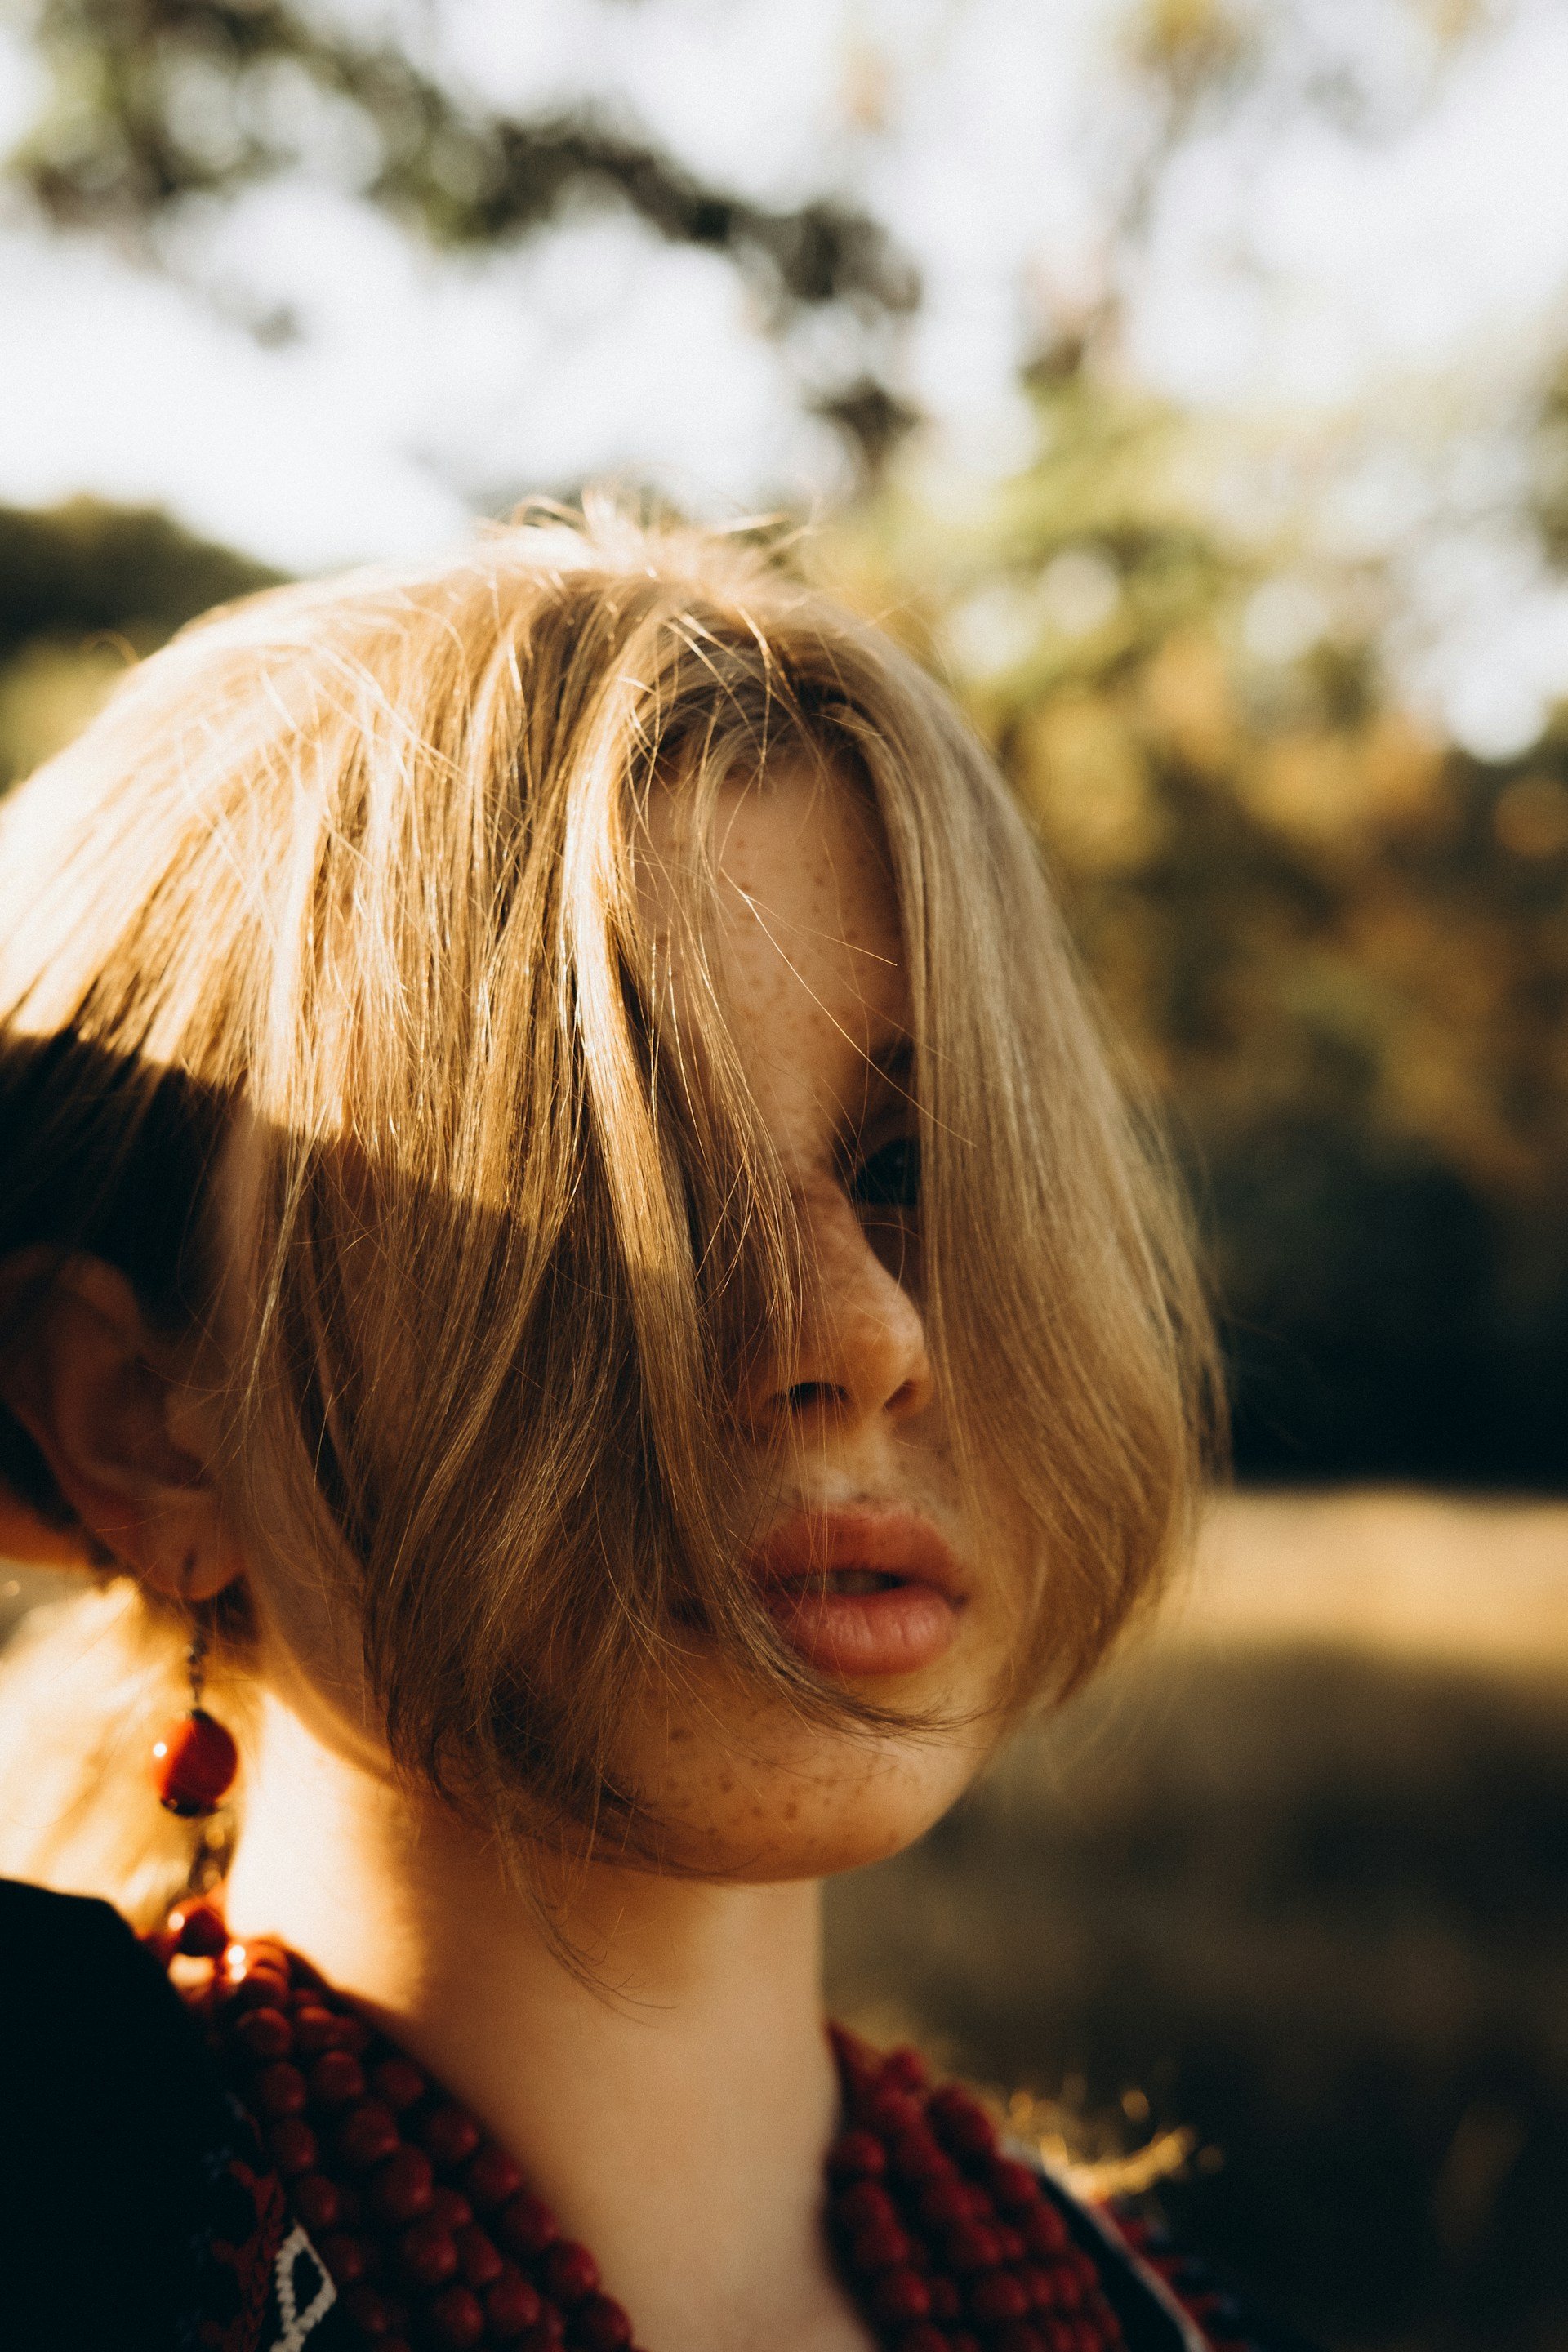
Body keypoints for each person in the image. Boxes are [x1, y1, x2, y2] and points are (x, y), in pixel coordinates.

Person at [0, 505, 1281, 2352]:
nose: (864, 1333)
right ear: (141, 1421)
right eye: (629, 1183)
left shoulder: (1164, 2323)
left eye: (909, 1165)